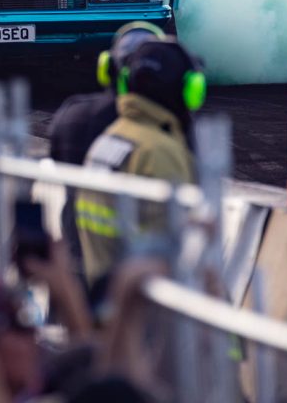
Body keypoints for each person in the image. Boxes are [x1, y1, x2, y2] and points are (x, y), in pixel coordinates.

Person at [76, 39, 204, 288]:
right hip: (145, 308)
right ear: (189, 90)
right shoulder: (158, 152)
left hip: (105, 293)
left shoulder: (110, 138)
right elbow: (176, 252)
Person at [48, 22, 165, 285]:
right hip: (137, 274)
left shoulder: (71, 115)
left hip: (76, 260)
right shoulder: (157, 133)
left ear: (107, 68)